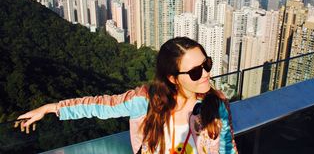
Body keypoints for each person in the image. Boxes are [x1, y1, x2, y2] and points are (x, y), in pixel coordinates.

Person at [15, 37, 238, 154]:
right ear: (172, 78)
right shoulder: (146, 102)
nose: (207, 74)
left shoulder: (216, 104)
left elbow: (228, 149)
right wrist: (51, 108)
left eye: (206, 64)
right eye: (196, 71)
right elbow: (99, 105)